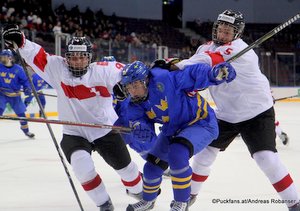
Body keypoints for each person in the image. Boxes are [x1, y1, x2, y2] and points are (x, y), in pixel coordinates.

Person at [2, 24, 143, 211]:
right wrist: (20, 41)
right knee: (82, 168)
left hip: (103, 129)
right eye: (72, 57)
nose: (76, 61)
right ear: (66, 57)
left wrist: (124, 86)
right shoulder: (57, 68)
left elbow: (130, 73)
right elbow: (37, 55)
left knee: (126, 170)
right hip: (73, 131)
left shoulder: (103, 70)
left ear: (89, 58)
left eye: (81, 57)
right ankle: (104, 204)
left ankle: (141, 191)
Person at [174, 9, 300, 210]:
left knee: (265, 158)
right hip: (226, 114)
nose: (223, 34)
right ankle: (189, 197)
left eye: (228, 31)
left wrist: (176, 66)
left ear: (237, 33)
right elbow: (199, 70)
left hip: (257, 113)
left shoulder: (241, 50)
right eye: (221, 30)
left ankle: (294, 203)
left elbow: (208, 61)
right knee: (205, 155)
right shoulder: (204, 48)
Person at [120, 60, 236, 211]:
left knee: (177, 153)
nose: (132, 91)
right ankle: (148, 201)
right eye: (129, 87)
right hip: (173, 128)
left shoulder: (166, 79)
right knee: (151, 167)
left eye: (135, 86)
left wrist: (212, 73)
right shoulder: (135, 102)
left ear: (146, 80)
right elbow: (138, 121)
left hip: (200, 123)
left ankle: (181, 203)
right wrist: (141, 131)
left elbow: (193, 73)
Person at [0, 49, 35, 138]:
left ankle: (26, 131)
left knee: (21, 115)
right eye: (1, 57)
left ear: (10, 58)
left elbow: (25, 81)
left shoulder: (18, 69)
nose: (2, 59)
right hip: (2, 94)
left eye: (4, 57)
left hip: (15, 96)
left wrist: (27, 88)